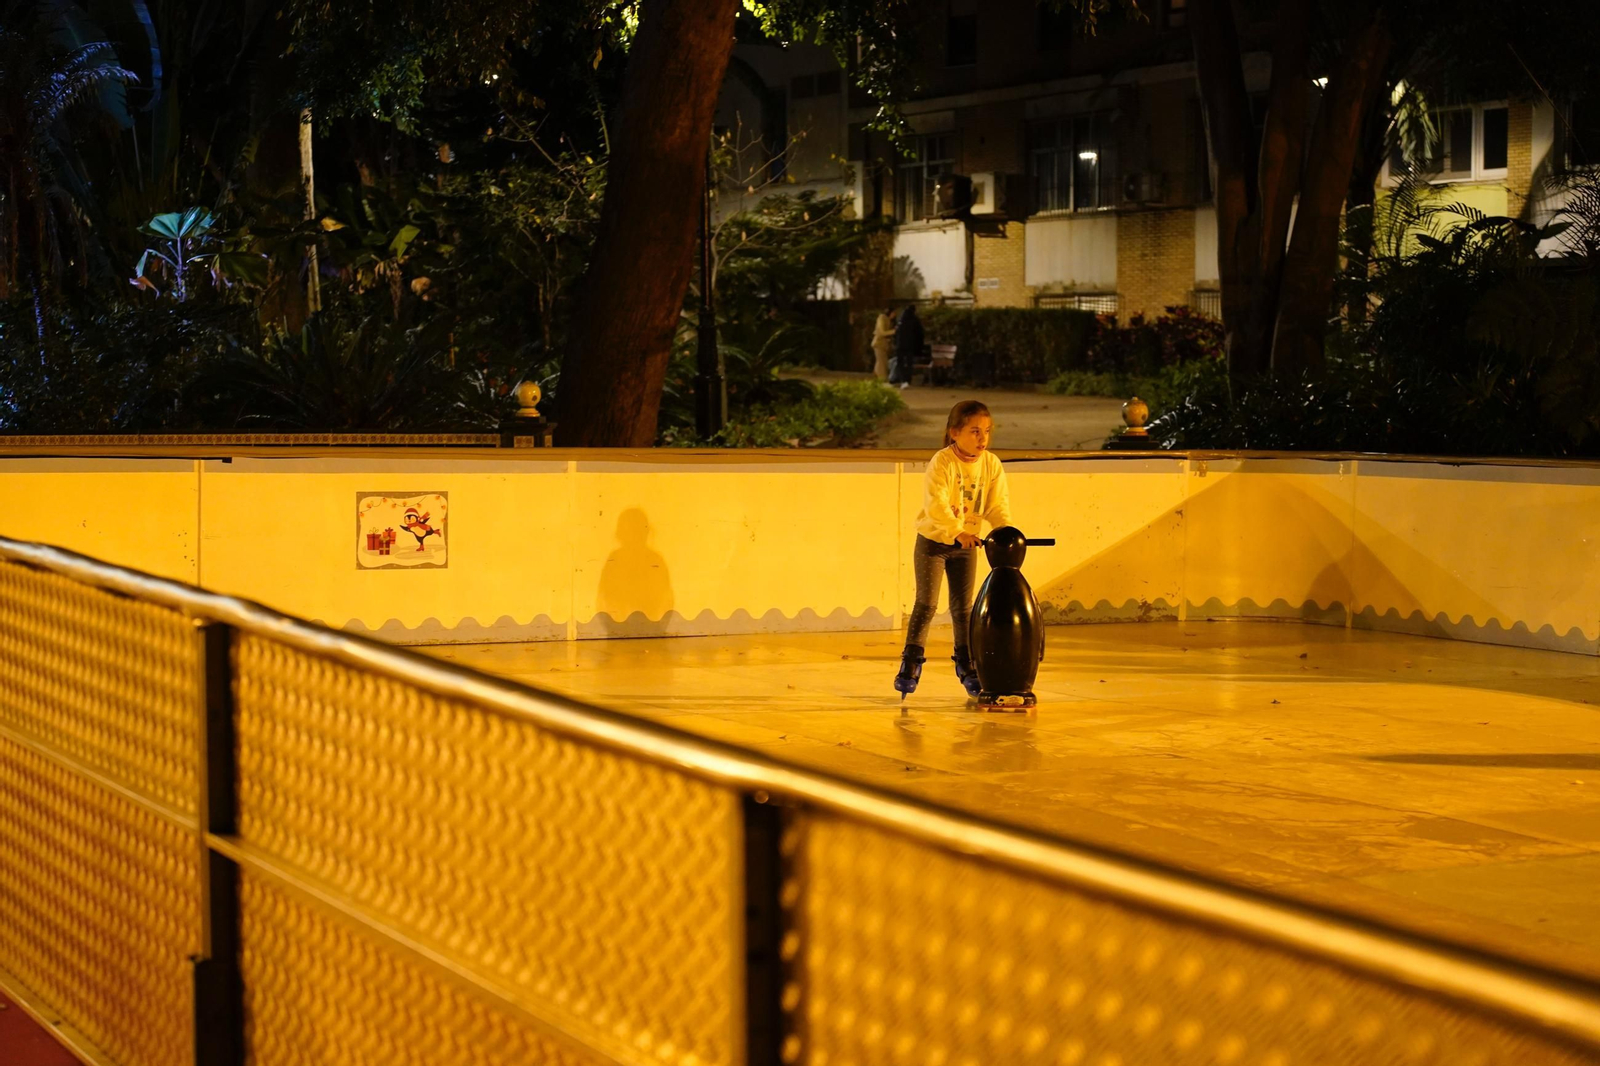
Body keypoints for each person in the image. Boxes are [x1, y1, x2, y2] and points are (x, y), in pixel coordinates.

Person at [895, 399, 1012, 699]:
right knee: (927, 604)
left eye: (987, 431)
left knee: (963, 609)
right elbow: (936, 506)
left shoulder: (992, 465)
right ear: (954, 433)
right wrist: (957, 532)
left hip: (966, 544)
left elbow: (997, 506)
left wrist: (1005, 531)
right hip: (934, 543)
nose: (982, 438)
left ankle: (967, 665)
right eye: (974, 431)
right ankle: (911, 662)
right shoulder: (942, 462)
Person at [889, 302, 924, 389]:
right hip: (910, 346)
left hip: (900, 346)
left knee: (900, 363)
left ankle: (902, 379)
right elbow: (920, 333)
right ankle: (907, 380)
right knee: (909, 363)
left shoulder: (901, 320)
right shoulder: (915, 320)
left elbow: (896, 333)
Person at [871, 307, 896, 381]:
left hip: (883, 345)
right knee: (882, 363)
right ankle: (882, 379)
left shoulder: (888, 320)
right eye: (893, 313)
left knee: (881, 361)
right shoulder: (882, 318)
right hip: (879, 343)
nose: (894, 315)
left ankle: (876, 378)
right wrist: (894, 331)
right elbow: (882, 332)